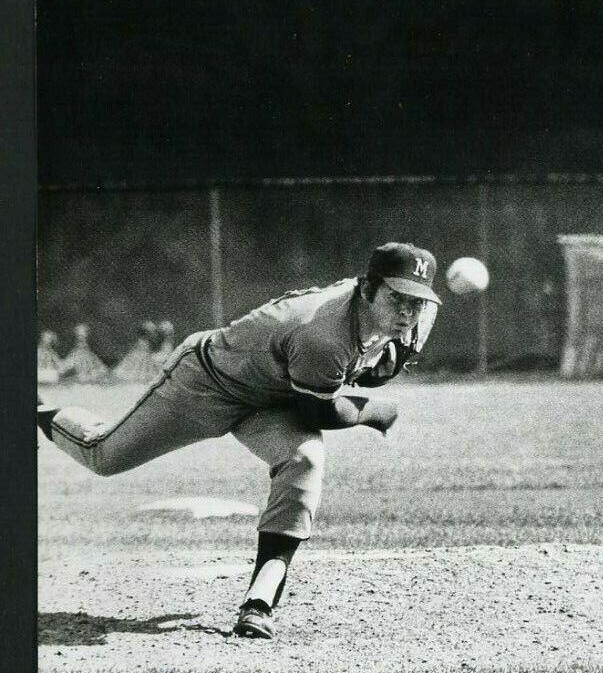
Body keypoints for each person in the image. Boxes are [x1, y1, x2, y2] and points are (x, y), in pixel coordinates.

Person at [37, 242, 441, 640]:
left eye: (417, 302)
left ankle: (259, 603)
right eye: (397, 297)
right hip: (206, 384)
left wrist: (384, 365)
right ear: (368, 288)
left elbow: (345, 374)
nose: (407, 312)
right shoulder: (322, 331)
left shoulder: (378, 320)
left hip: (271, 399)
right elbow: (316, 412)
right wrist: (375, 410)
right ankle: (32, 407)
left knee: (304, 461)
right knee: (104, 455)